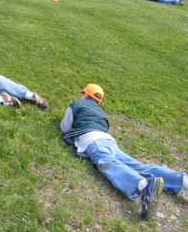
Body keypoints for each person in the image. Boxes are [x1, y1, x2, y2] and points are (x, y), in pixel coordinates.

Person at [60, 84, 187, 218]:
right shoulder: (100, 112)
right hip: (109, 140)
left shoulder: (77, 104)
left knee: (106, 162)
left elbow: (64, 127)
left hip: (92, 140)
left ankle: (143, 186)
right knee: (139, 166)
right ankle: (183, 180)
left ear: (85, 95)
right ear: (98, 100)